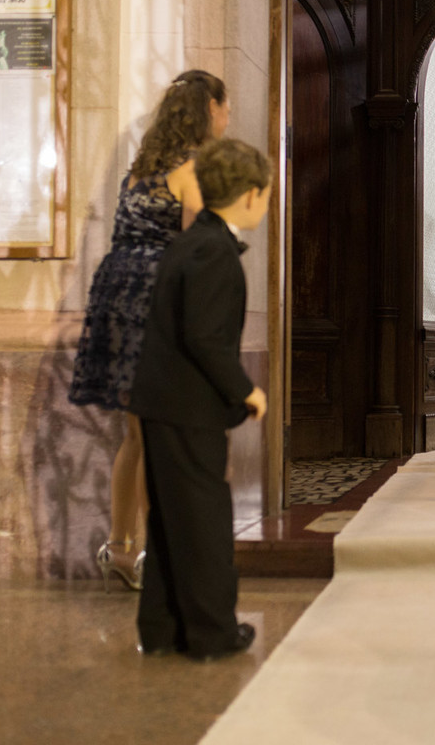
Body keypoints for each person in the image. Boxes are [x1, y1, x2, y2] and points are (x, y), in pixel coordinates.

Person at [68, 70, 230, 592]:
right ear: (209, 109)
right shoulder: (194, 171)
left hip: (119, 296)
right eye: (224, 109)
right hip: (160, 301)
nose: (228, 119)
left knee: (137, 434)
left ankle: (119, 546)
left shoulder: (138, 172)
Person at [127, 138, 271, 661]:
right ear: (252, 195)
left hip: (163, 400)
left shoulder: (193, 241)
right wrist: (247, 389)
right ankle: (212, 633)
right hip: (187, 405)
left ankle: (163, 628)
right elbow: (205, 338)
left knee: (170, 518)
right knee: (205, 519)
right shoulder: (214, 251)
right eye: (267, 194)